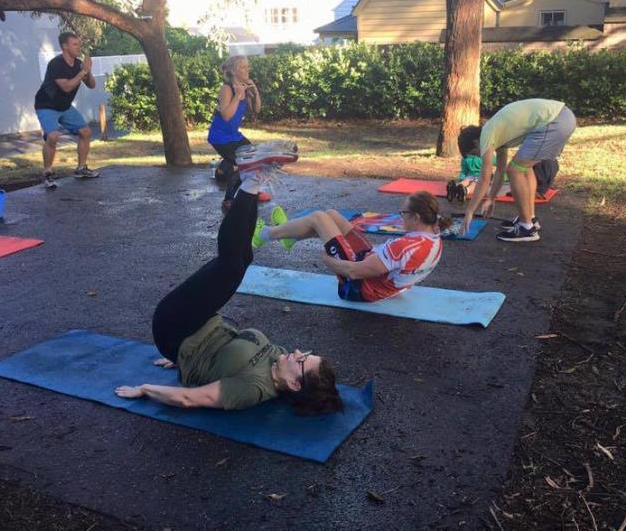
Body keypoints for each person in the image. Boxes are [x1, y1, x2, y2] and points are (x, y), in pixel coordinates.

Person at [115, 141, 343, 415]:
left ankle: (251, 180)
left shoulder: (253, 388)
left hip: (174, 331)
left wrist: (145, 389)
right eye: (305, 353)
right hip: (198, 324)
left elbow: (190, 398)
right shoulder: (280, 360)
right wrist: (180, 362)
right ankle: (254, 180)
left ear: (295, 385)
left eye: (302, 360)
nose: (297, 352)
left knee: (231, 267)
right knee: (244, 258)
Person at [253, 191, 448, 302]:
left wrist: (328, 260)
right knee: (331, 215)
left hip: (358, 287)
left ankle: (264, 235)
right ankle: (289, 236)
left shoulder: (404, 247)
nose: (400, 217)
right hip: (373, 268)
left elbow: (354, 272)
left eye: (403, 213)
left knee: (318, 218)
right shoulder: (434, 237)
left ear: (416, 218)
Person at [458, 98, 576, 243]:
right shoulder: (496, 133)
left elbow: (484, 178)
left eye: (475, 153)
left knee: (514, 170)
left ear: (476, 142)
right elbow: (500, 170)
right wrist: (491, 198)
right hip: (562, 117)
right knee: (524, 168)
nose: (478, 157)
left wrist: (469, 211)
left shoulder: (486, 136)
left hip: (555, 121)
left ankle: (526, 228)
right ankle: (530, 218)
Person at [34, 32, 100, 189]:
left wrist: (88, 70)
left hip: (64, 106)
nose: (78, 47)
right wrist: (83, 72)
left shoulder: (78, 64)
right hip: (47, 105)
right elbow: (67, 87)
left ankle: (81, 169)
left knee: (85, 132)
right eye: (75, 44)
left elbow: (91, 85)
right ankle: (47, 173)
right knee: (53, 136)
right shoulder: (56, 64)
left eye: (79, 44)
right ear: (65, 46)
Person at [208, 55, 262, 211]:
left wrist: (255, 92)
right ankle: (228, 200)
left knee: (255, 158)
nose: (247, 69)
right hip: (220, 137)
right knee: (242, 165)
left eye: (247, 66)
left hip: (234, 135)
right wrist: (237, 95)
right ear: (233, 71)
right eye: (243, 67)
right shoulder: (227, 89)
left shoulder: (245, 87)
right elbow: (226, 115)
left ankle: (222, 169)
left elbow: (256, 110)